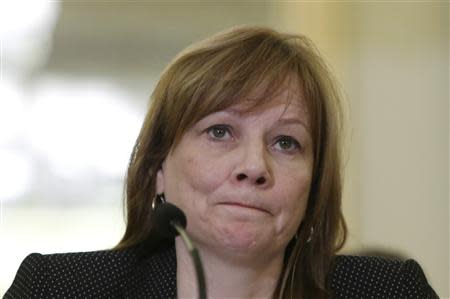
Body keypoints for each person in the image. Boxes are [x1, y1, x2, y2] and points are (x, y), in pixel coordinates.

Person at [5, 26, 438, 299]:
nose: (254, 166)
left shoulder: (389, 290)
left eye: (286, 142)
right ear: (158, 169)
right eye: (220, 132)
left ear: (315, 184)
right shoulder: (60, 288)